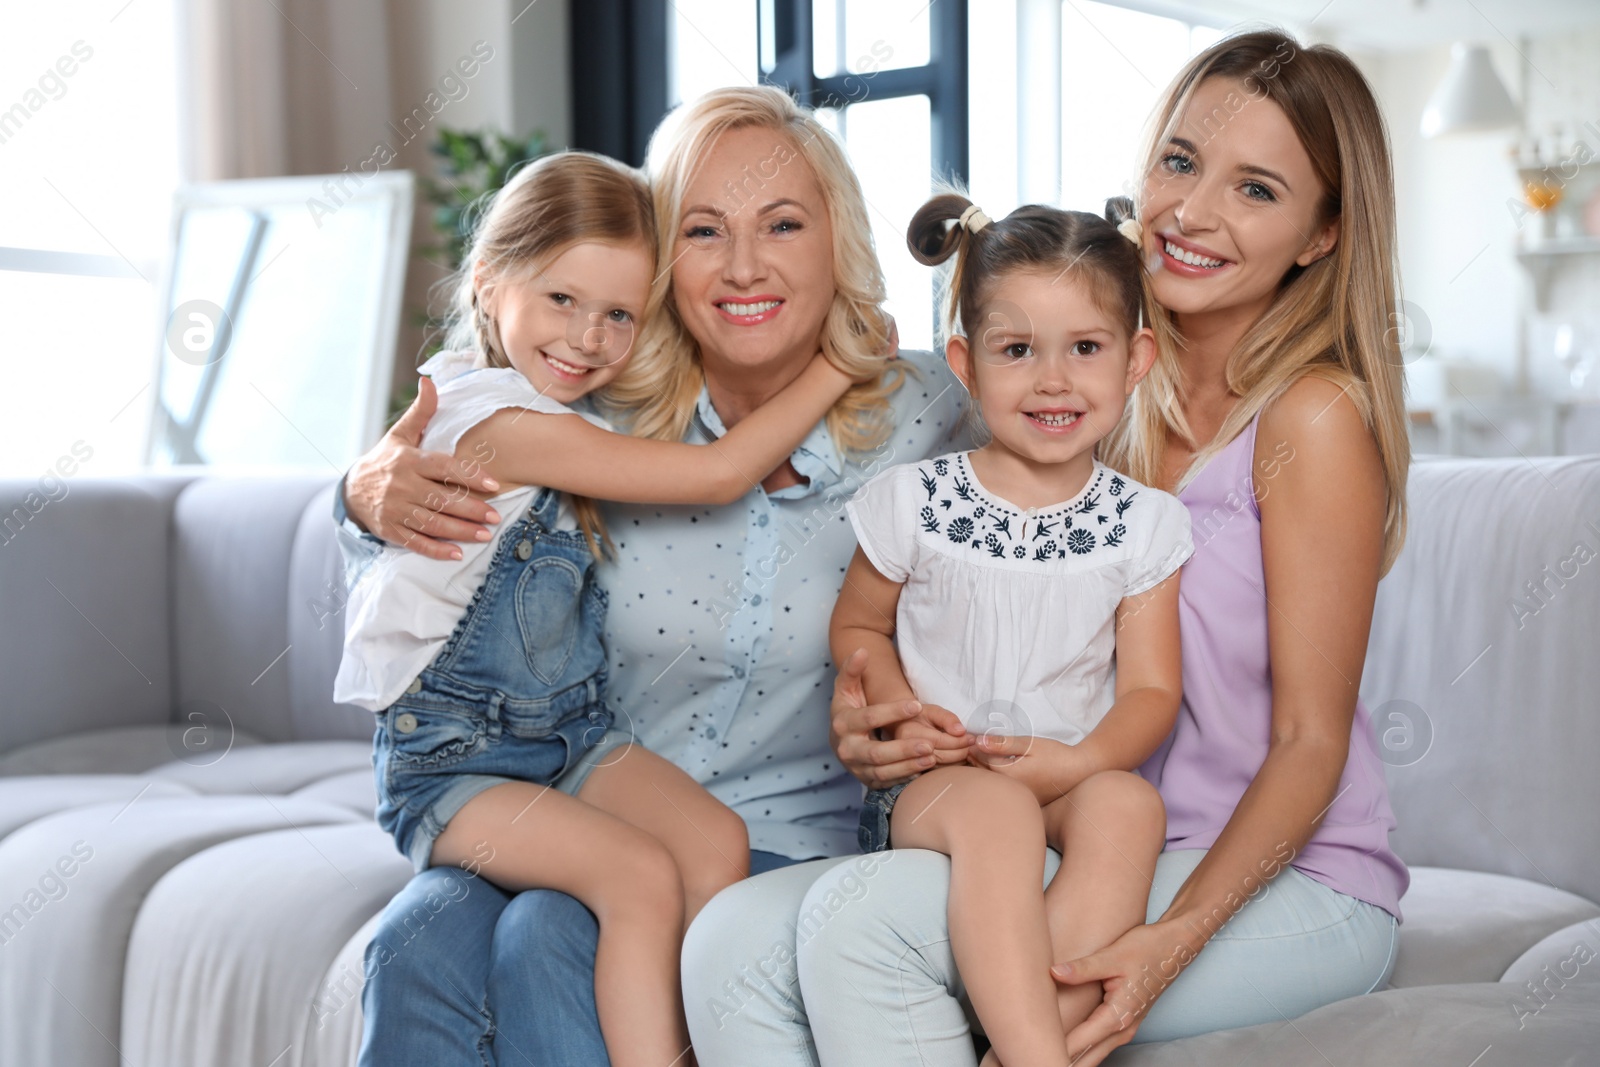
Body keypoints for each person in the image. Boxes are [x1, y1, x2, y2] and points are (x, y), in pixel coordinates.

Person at [683, 29, 1410, 1067]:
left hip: (1278, 878)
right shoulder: (1083, 393)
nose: (1194, 212)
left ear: (1322, 233)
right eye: (1179, 161)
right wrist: (871, 710)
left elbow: (1309, 743)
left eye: (1256, 189)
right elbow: (895, 536)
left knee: (864, 926)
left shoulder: (1310, 422)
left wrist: (1165, 944)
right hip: (1081, 827)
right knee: (727, 945)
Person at [334, 86, 966, 1065]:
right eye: (705, 230)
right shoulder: (596, 402)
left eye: (783, 224)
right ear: (669, 258)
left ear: (836, 238)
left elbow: (1078, 428)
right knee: (417, 941)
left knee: (548, 930)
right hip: (541, 780)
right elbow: (431, 552)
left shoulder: (933, 409)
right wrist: (358, 493)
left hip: (774, 829)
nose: (745, 264)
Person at [830, 194, 1193, 1066]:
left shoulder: (1143, 524)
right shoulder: (916, 503)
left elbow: (1151, 691)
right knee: (996, 813)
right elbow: (858, 626)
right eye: (1018, 349)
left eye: (1087, 348)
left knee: (1130, 804)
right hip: (939, 780)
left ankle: (1028, 1042)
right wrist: (892, 704)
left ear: (1137, 358)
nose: (1054, 379)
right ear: (966, 360)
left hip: (1062, 770)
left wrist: (1078, 761)